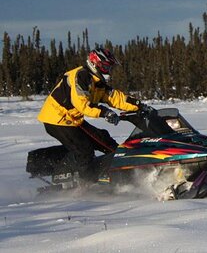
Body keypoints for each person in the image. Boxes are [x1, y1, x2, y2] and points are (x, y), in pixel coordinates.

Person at [37, 46, 147, 183]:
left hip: (73, 119)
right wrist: (105, 112)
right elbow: (82, 104)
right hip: (56, 119)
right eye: (107, 67)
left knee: (104, 140)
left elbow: (115, 97)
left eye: (110, 68)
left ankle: (121, 173)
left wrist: (139, 105)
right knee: (84, 150)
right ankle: (87, 185)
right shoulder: (81, 76)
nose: (109, 72)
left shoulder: (97, 81)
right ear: (96, 64)